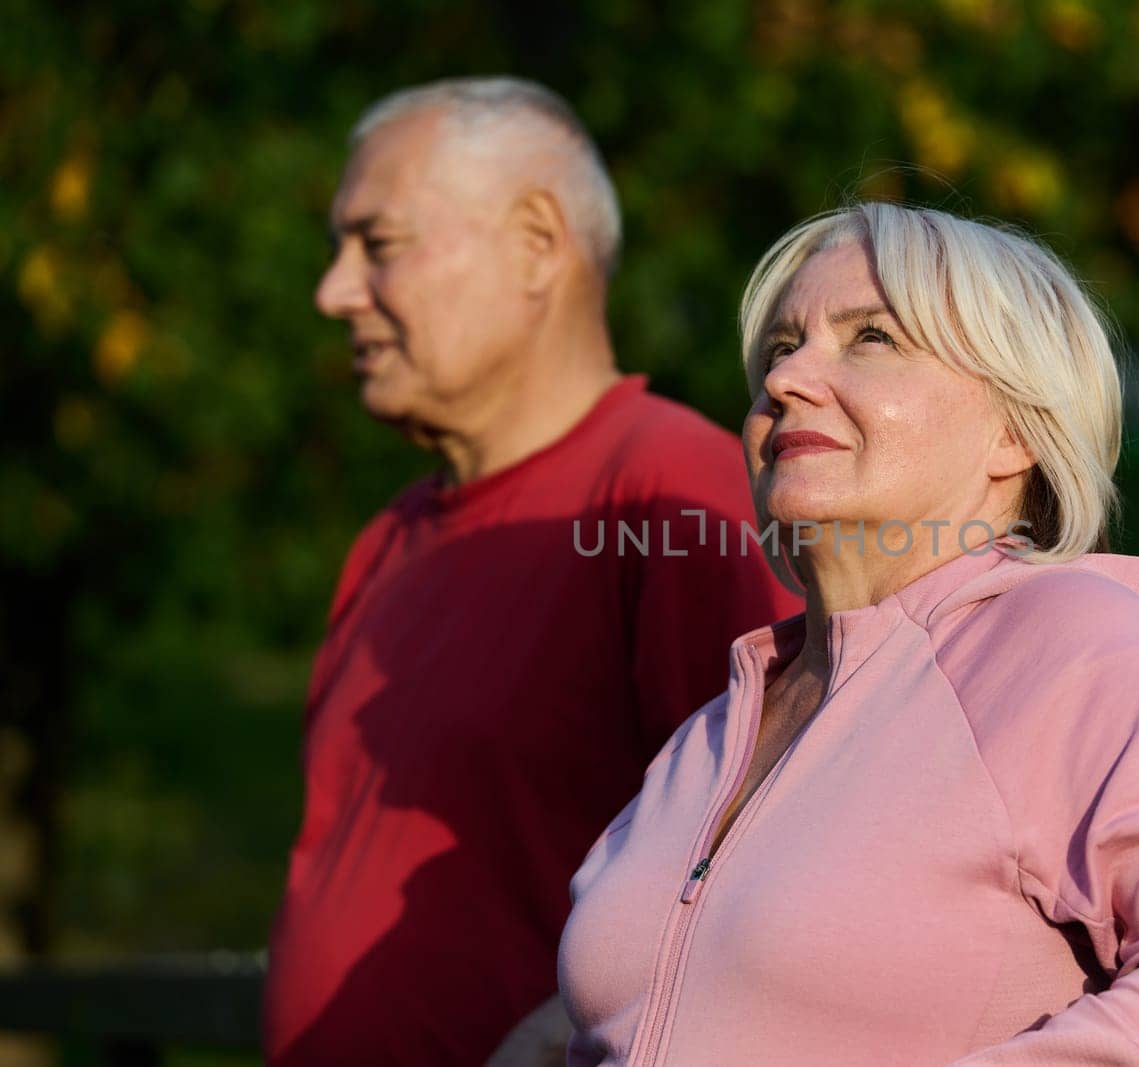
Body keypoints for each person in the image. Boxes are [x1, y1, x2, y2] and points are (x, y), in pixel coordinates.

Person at [558, 202, 1139, 1065]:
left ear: (1013, 429)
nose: (786, 381)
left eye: (871, 339)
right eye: (781, 350)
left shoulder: (1074, 647)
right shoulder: (720, 721)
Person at [262, 77, 799, 1066]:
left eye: (379, 245)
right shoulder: (388, 538)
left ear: (539, 243)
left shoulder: (664, 496)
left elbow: (770, 859)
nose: (332, 292)